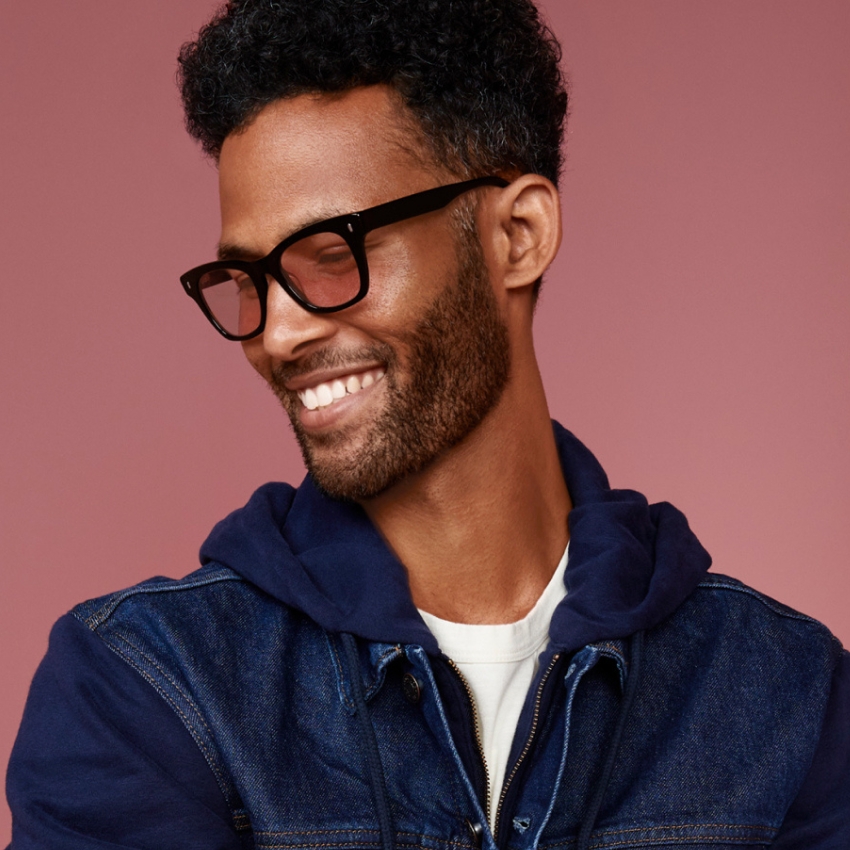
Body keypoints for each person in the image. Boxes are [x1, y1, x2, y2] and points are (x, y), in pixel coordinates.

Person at [6, 0, 849, 846]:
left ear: (517, 235)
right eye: (250, 280)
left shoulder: (786, 693)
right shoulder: (149, 686)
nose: (277, 333)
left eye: (333, 256)